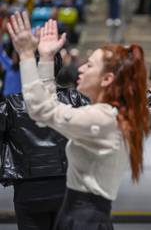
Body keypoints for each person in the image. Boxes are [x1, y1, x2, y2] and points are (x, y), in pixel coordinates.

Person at [7, 11, 150, 230]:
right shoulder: (106, 114)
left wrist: (27, 54)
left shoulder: (102, 119)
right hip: (82, 216)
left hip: (84, 219)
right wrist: (45, 59)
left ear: (107, 79)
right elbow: (46, 114)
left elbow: (40, 110)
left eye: (90, 65)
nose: (80, 68)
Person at [0, 47, 89, 230]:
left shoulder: (11, 104)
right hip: (67, 186)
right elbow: (112, 111)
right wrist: (149, 98)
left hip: (27, 189)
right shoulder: (74, 99)